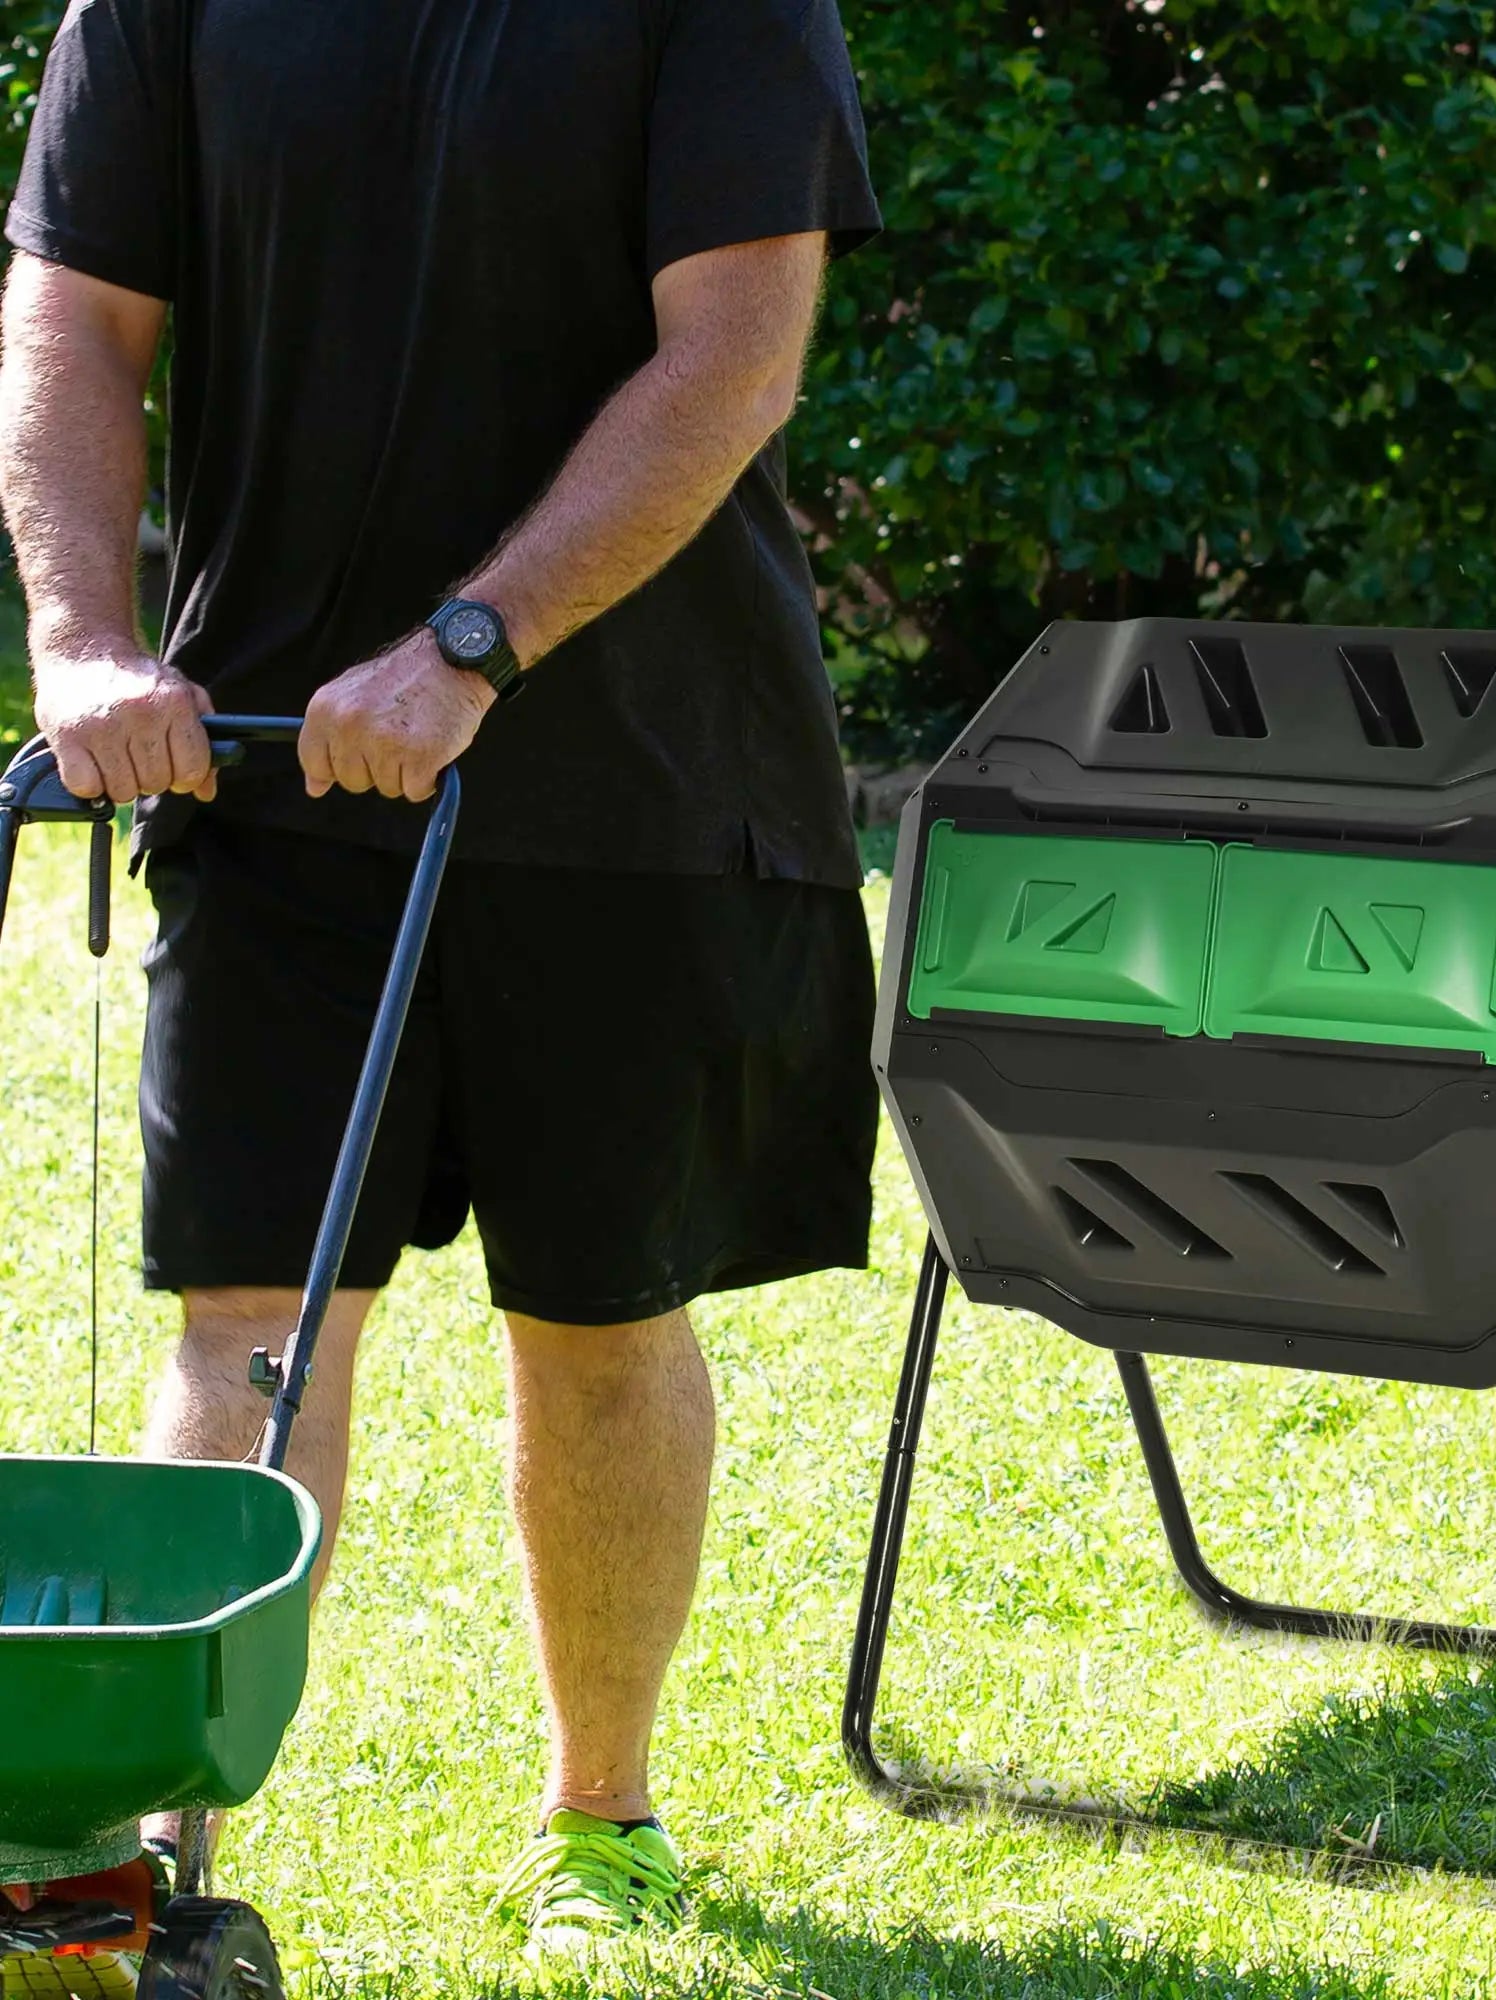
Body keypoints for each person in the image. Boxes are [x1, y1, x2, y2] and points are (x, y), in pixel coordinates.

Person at [0, 0, 881, 1962]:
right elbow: (72, 309)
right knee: (250, 1326)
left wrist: (474, 644)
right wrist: (79, 641)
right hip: (269, 767)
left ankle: (604, 1817)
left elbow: (733, 345)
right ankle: (127, 1856)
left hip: (628, 775)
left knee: (599, 1314)